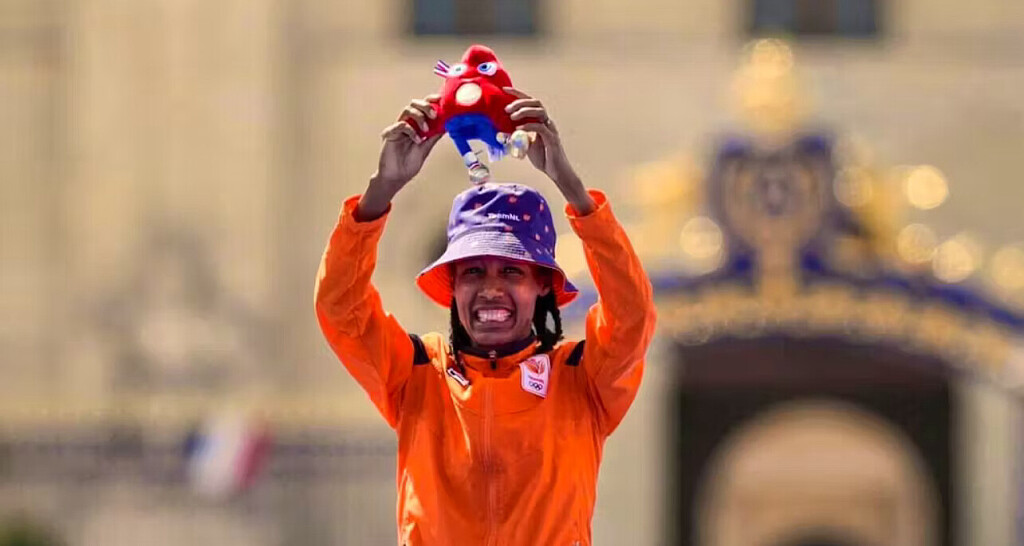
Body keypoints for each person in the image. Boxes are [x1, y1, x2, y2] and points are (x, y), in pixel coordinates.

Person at [314, 87, 656, 546]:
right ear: (453, 284)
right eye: (473, 271)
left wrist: (573, 190)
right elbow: (340, 306)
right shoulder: (416, 372)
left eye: (511, 270)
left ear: (542, 284)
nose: (491, 288)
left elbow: (633, 315)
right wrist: (382, 189)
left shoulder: (582, 378)